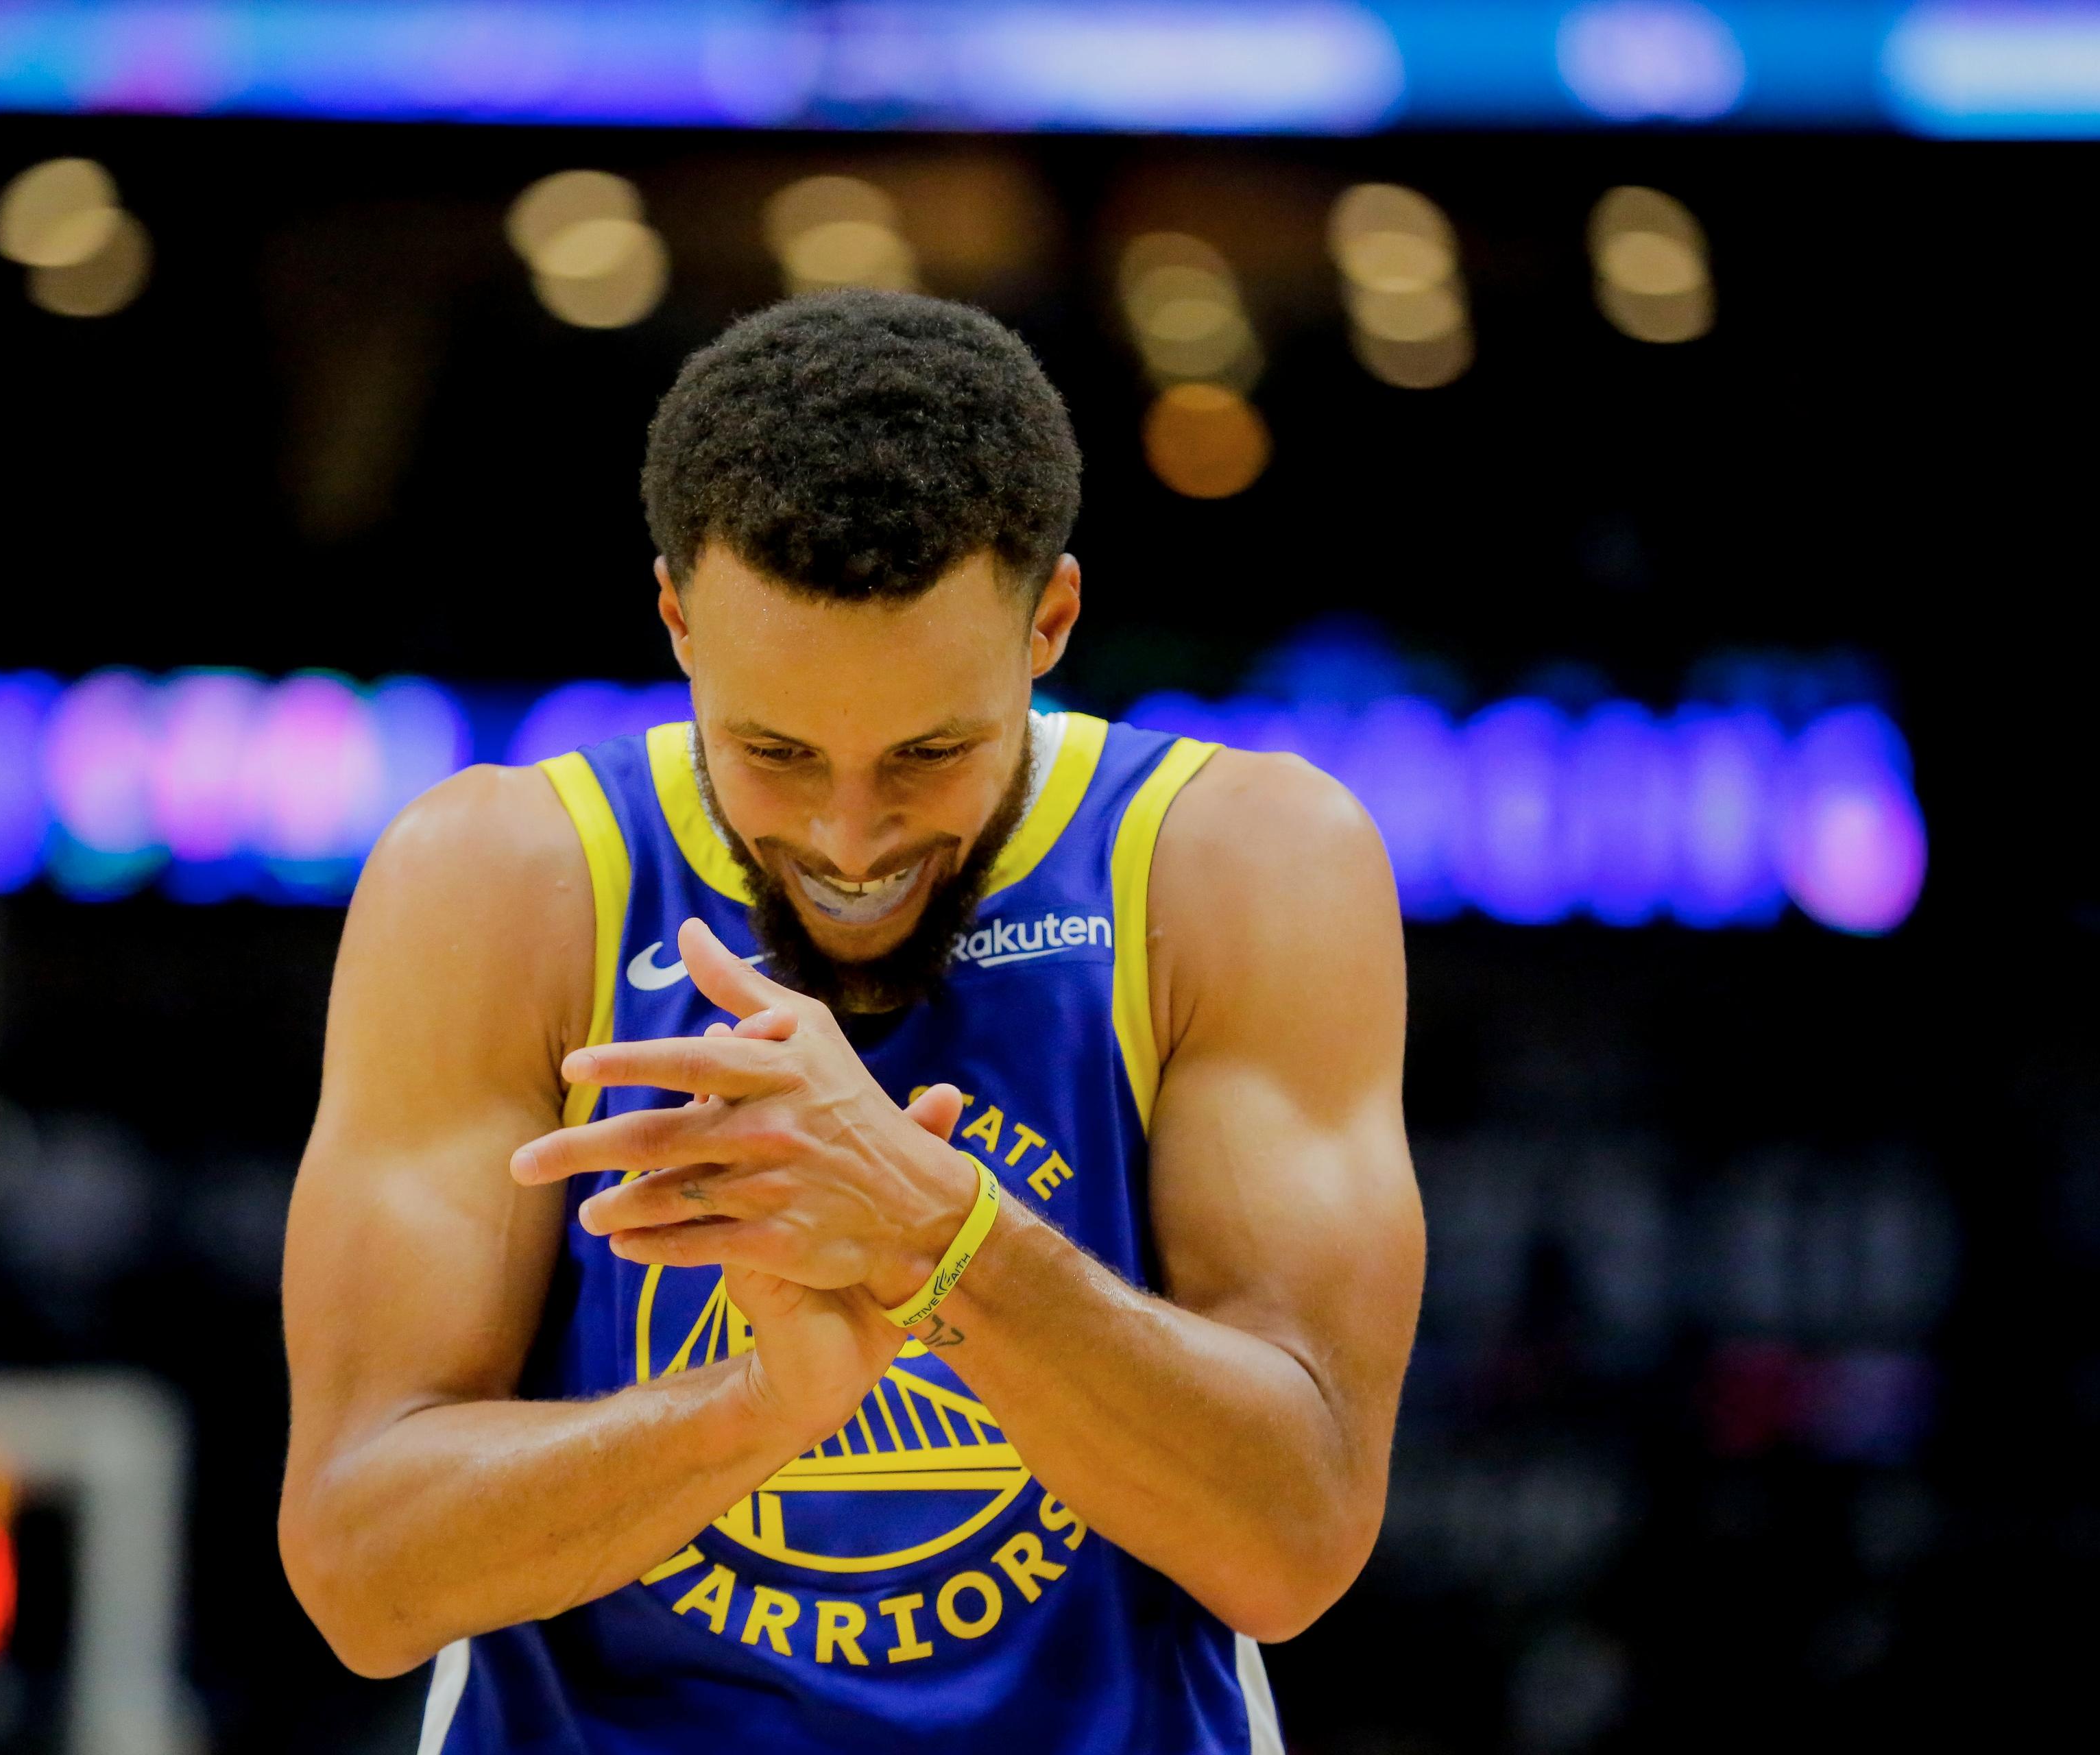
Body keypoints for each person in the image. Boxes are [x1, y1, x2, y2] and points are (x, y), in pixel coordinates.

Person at [278, 289, 1424, 1754]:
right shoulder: (504, 880)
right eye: (776, 750)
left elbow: (1294, 1538)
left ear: (1051, 622)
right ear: (678, 622)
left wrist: (948, 1240)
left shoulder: (1240, 863)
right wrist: (760, 1405)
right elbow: (364, 1576)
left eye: (929, 752)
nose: (851, 832)